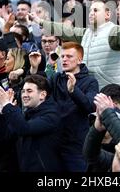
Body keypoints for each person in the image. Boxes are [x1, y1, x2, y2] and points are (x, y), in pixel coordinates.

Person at [32, 0, 120, 93]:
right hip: (92, 91)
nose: (91, 13)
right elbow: (63, 29)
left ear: (108, 14)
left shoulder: (114, 31)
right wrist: (40, 21)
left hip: (113, 94)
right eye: (90, 10)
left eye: (95, 10)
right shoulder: (86, 33)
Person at [0, 74, 63, 171]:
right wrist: (1, 114)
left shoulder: (51, 115)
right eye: (23, 91)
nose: (24, 95)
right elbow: (4, 138)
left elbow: (24, 129)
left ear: (42, 95)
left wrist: (8, 106)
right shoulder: (26, 114)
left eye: (29, 91)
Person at [48, 42, 98, 172]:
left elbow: (90, 107)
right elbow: (39, 92)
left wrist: (73, 90)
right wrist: (35, 69)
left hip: (76, 145)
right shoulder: (56, 78)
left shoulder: (90, 81)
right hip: (53, 141)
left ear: (80, 59)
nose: (64, 59)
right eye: (62, 56)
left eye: (69, 56)